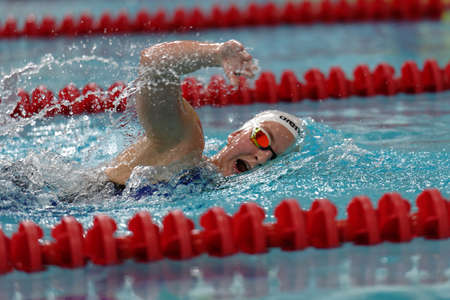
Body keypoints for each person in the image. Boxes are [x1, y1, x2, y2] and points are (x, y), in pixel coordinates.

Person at [104, 40, 305, 190]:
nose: (262, 157)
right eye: (261, 138)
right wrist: (215, 54)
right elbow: (154, 62)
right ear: (235, 135)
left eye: (274, 158)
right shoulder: (183, 144)